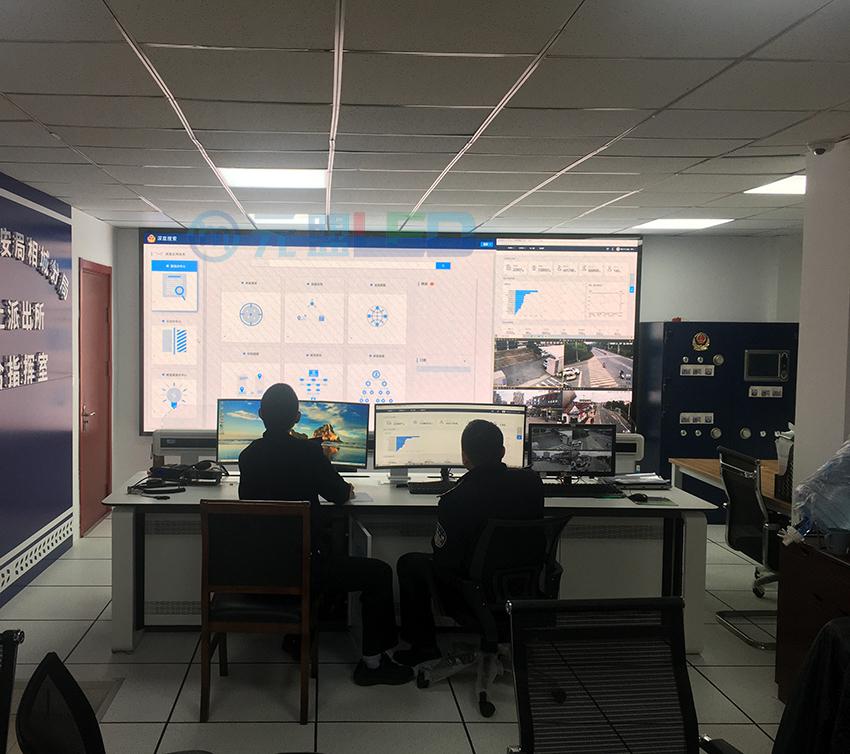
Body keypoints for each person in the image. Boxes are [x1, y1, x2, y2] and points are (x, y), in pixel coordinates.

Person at [239, 383, 412, 686]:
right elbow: (340, 494)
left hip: (259, 572)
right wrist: (347, 488)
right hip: (307, 570)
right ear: (297, 417)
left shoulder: (247, 456)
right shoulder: (308, 453)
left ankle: (296, 634)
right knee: (379, 573)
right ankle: (373, 664)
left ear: (260, 414)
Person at [394, 419, 545, 667]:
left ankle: (424, 646)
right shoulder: (531, 484)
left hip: (472, 595)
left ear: (464, 457)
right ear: (503, 452)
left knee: (410, 564)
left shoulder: (455, 497)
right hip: (521, 588)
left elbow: (444, 559)